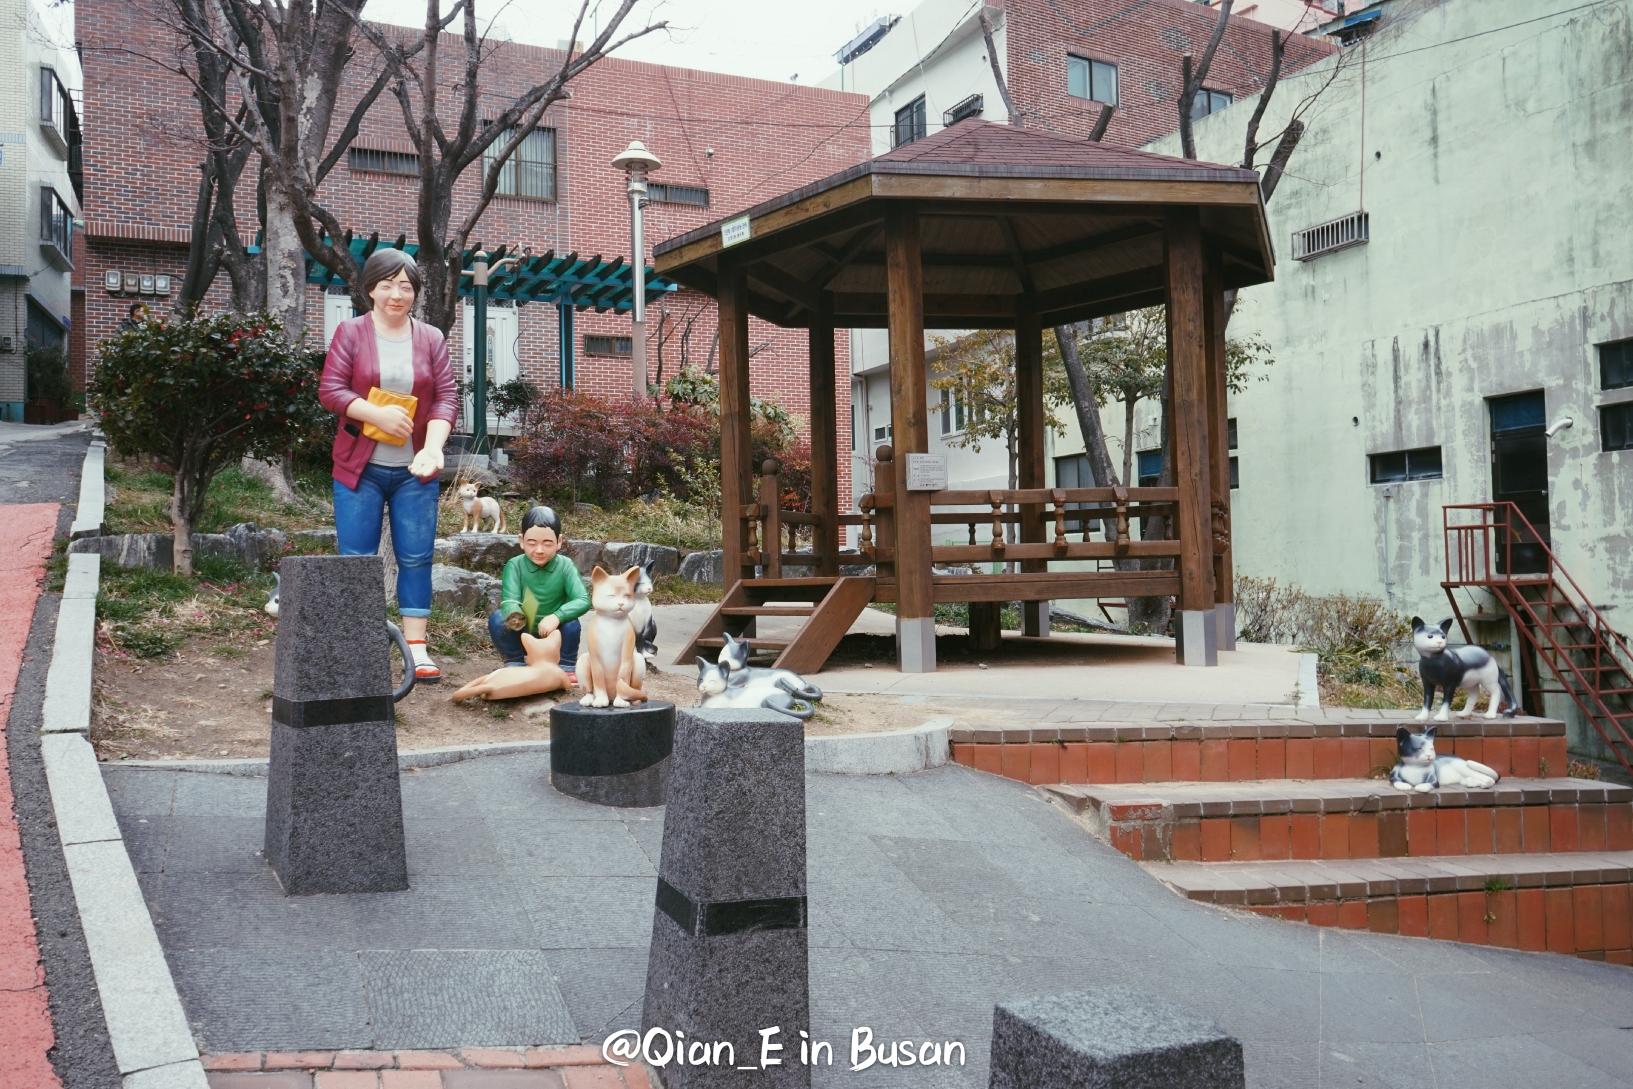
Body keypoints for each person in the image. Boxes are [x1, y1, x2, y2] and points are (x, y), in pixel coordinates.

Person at [318, 248, 457, 682]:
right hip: (360, 466)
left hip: (415, 470)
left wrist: (433, 449)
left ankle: (416, 648)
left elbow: (447, 399)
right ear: (370, 289)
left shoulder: (431, 338)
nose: (396, 294)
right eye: (386, 285)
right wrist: (373, 413)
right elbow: (330, 390)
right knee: (356, 558)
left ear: (415, 291)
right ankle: (358, 644)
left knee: (416, 556)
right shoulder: (351, 332)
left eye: (405, 286)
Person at [493, 506, 589, 681]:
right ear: (521, 541)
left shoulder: (565, 565)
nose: (539, 550)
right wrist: (516, 616)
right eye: (532, 543)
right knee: (498, 619)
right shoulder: (515, 565)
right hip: (522, 632)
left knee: (572, 623)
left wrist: (557, 616)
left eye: (547, 543)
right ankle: (515, 661)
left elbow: (582, 599)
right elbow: (510, 600)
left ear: (559, 542)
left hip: (554, 635)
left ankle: (566, 665)